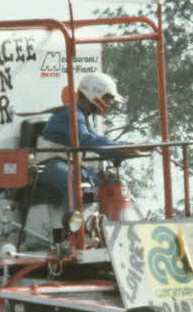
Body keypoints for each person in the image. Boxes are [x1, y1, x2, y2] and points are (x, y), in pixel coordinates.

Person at [37, 73, 142, 210]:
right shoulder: (71, 114)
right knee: (73, 182)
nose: (108, 104)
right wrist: (122, 147)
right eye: (106, 99)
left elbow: (96, 142)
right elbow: (87, 141)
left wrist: (126, 148)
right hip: (51, 163)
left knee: (109, 183)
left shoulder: (83, 115)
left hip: (70, 162)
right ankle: (73, 228)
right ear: (94, 94)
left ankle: (107, 223)